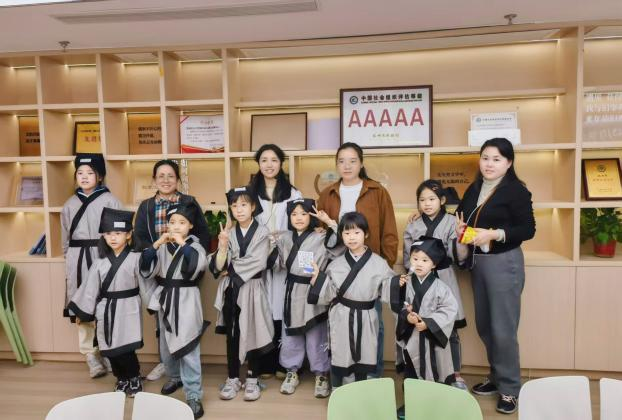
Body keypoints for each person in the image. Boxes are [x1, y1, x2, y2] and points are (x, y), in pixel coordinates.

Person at [456, 137, 536, 415]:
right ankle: (497, 376)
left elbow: (528, 229)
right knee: (486, 325)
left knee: (503, 328)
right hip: (479, 262)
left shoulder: (516, 191)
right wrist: (460, 226)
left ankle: (510, 388)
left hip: (504, 262)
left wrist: (494, 234)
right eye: (485, 158)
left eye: (496, 159)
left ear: (509, 163)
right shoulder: (475, 186)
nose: (489, 164)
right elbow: (463, 214)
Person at [315, 142, 398, 377]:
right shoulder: (328, 193)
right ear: (336, 165)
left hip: (370, 271)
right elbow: (320, 233)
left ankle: (374, 379)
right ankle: (343, 380)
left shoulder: (377, 191)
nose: (347, 166)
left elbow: (389, 232)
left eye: (352, 161)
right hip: (338, 272)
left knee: (373, 327)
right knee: (339, 327)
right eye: (341, 161)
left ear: (361, 163)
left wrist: (385, 267)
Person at [134, 159, 210, 383]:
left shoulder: (189, 201)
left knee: (185, 320)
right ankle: (167, 365)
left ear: (178, 180)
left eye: (170, 176)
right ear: (154, 180)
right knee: (162, 320)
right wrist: (154, 251)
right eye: (161, 176)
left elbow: (203, 233)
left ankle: (188, 372)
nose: (166, 180)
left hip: (185, 269)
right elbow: (139, 236)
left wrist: (194, 261)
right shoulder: (146, 206)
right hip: (159, 266)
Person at [308, 212, 402, 387]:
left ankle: (365, 393)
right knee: (342, 353)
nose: (351, 237)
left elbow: (388, 287)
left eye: (357, 232)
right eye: (347, 233)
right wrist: (317, 280)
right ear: (341, 235)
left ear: (366, 234)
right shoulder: (335, 265)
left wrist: (398, 283)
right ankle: (342, 392)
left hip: (367, 316)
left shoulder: (379, 263)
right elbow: (329, 294)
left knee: (367, 352)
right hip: (341, 316)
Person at [68, 208, 155, 397]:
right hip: (105, 308)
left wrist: (154, 305)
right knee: (109, 348)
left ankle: (134, 377)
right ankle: (121, 378)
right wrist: (82, 313)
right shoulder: (99, 262)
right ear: (103, 236)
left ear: (129, 235)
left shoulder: (136, 258)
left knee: (126, 347)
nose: (113, 237)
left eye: (118, 233)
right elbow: (90, 289)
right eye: (108, 233)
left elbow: (146, 282)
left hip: (129, 307)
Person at [140, 202, 209, 419]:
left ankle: (193, 393)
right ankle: (175, 377)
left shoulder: (196, 247)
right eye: (172, 222)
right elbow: (146, 266)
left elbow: (197, 266)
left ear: (190, 226)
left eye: (182, 222)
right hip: (165, 299)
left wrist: (182, 244)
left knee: (188, 345)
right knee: (166, 344)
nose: (176, 226)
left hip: (187, 299)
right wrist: (155, 245)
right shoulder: (162, 246)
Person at [209, 186, 274, 402]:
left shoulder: (262, 231)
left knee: (253, 331)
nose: (239, 209)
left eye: (244, 204)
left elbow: (259, 261)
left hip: (253, 289)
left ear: (253, 207)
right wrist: (223, 246)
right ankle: (233, 377)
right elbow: (219, 265)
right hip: (231, 290)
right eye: (234, 205)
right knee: (233, 334)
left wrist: (231, 268)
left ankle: (253, 378)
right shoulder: (228, 232)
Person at [403, 179, 468, 390]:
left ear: (442, 200)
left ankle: (454, 373)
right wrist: (412, 274)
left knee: (450, 327)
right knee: (419, 327)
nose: (427, 204)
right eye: (422, 200)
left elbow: (458, 257)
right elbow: (408, 258)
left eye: (432, 199)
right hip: (419, 280)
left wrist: (460, 237)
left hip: (444, 277)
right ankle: (424, 372)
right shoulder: (413, 225)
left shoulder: (451, 222)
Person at [62, 153, 121, 379]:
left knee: (104, 305)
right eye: (80, 173)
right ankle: (90, 355)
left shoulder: (110, 200)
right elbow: (65, 240)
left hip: (102, 256)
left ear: (100, 176)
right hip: (77, 259)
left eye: (90, 172)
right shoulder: (69, 204)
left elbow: (121, 234)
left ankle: (107, 351)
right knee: (82, 306)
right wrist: (69, 259)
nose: (84, 177)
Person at [269, 198, 335, 397]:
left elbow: (340, 247)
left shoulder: (321, 236)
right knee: (291, 334)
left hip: (314, 290)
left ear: (311, 216)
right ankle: (292, 371)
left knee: (316, 334)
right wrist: (271, 244)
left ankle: (321, 374)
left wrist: (330, 223)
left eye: (304, 213)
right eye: (294, 214)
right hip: (292, 291)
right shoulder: (285, 238)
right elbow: (277, 264)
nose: (299, 218)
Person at [249, 144, 302, 378]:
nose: (269, 165)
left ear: (281, 163)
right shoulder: (250, 193)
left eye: (274, 160)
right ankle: (265, 362)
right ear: (258, 164)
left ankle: (284, 362)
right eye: (264, 160)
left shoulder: (293, 193)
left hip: (284, 256)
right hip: (259, 258)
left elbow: (300, 223)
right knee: (262, 308)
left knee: (283, 307)